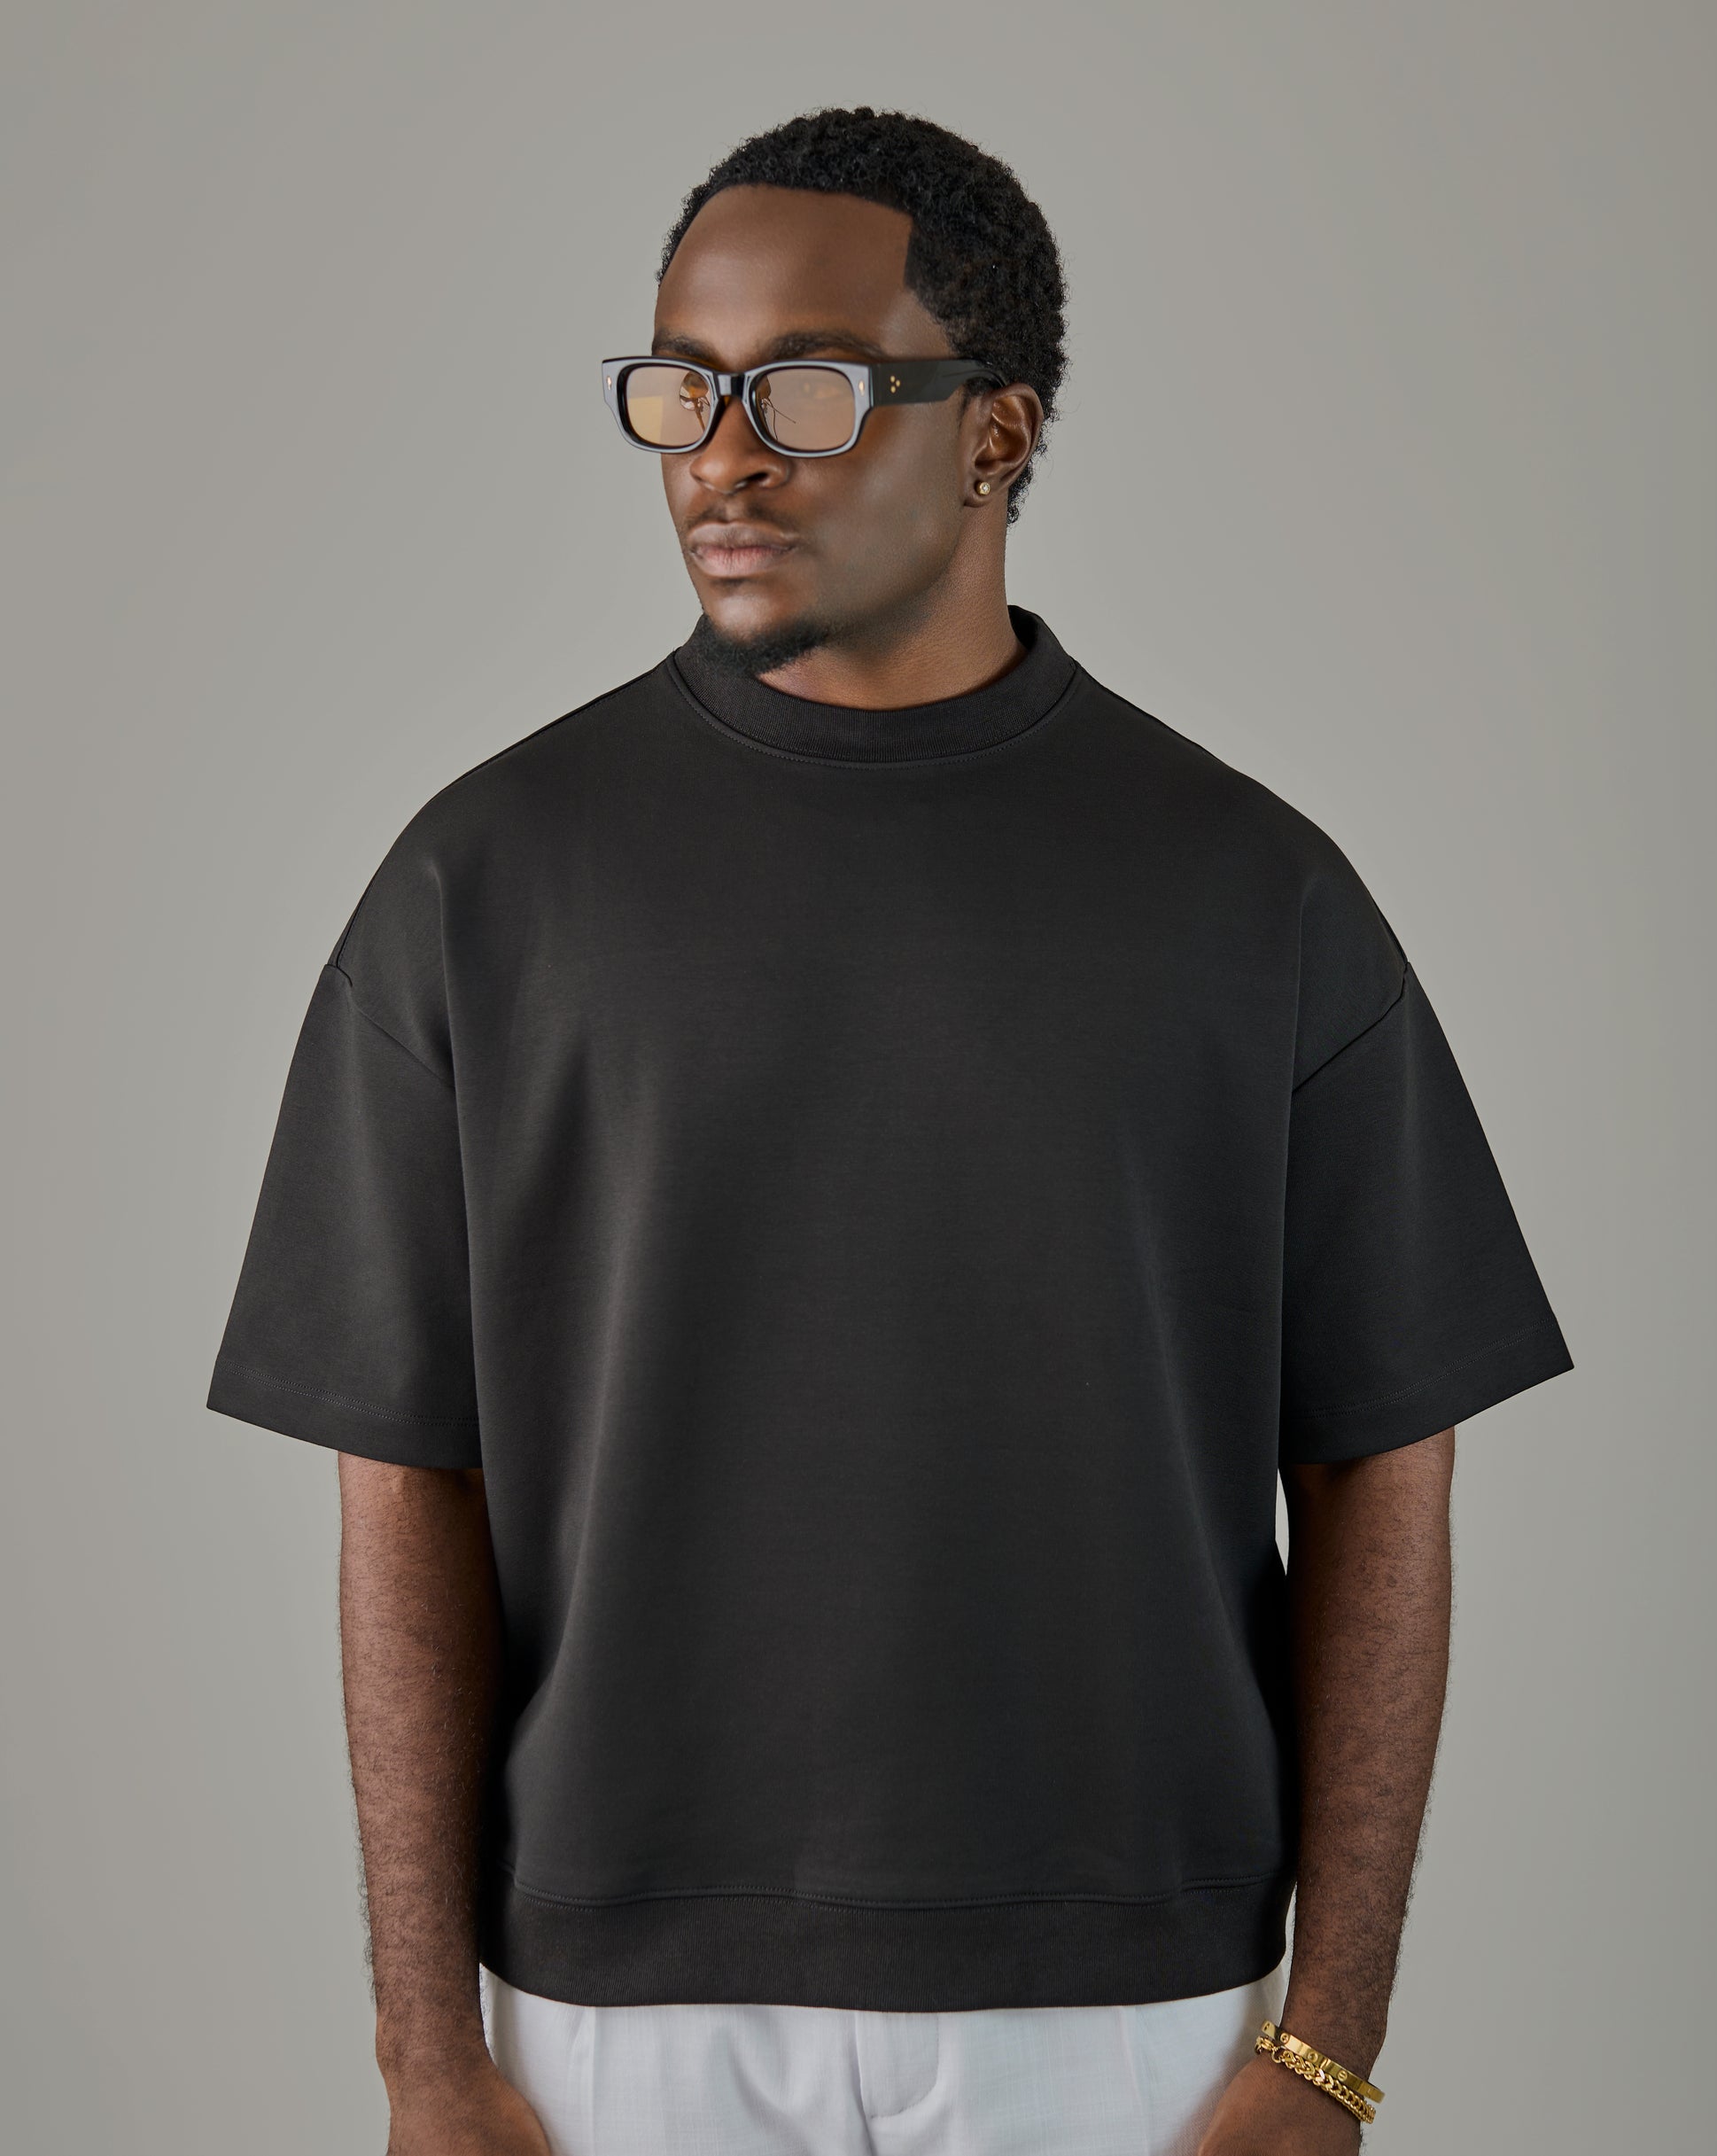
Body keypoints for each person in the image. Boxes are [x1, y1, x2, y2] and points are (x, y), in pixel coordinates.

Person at [207, 106, 1573, 2155]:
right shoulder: (479, 883)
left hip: (1127, 2008)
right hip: (607, 2009)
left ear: (995, 433)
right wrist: (423, 2043)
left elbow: (1382, 1453)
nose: (721, 456)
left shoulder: (1250, 892)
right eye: (682, 386)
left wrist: (1327, 2038)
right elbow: (406, 1476)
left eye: (806, 389)